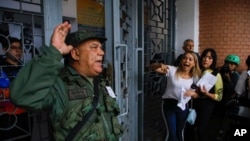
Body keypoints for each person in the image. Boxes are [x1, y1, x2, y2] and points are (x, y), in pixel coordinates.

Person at [10, 22, 123, 141]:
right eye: (94, 47)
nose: (102, 52)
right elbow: (22, 96)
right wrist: (53, 54)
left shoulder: (101, 82)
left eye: (101, 48)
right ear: (75, 54)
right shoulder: (59, 84)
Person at [150, 51, 201, 141]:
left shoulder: (195, 77)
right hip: (169, 105)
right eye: (185, 58)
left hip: (183, 107)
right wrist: (159, 65)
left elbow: (197, 95)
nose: (187, 61)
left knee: (179, 133)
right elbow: (153, 67)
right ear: (181, 61)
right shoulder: (172, 70)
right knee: (171, 134)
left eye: (190, 59)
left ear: (194, 63)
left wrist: (194, 93)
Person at [0, 37, 32, 140]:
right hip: (5, 117)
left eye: (20, 48)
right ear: (5, 49)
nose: (18, 51)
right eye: (13, 48)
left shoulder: (25, 68)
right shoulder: (1, 68)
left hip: (25, 116)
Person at [190, 48, 223, 141]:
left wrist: (207, 94)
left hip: (207, 105)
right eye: (204, 56)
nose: (206, 59)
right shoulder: (197, 71)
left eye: (209, 57)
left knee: (201, 129)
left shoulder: (216, 74)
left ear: (213, 60)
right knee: (190, 127)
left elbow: (219, 97)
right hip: (193, 103)